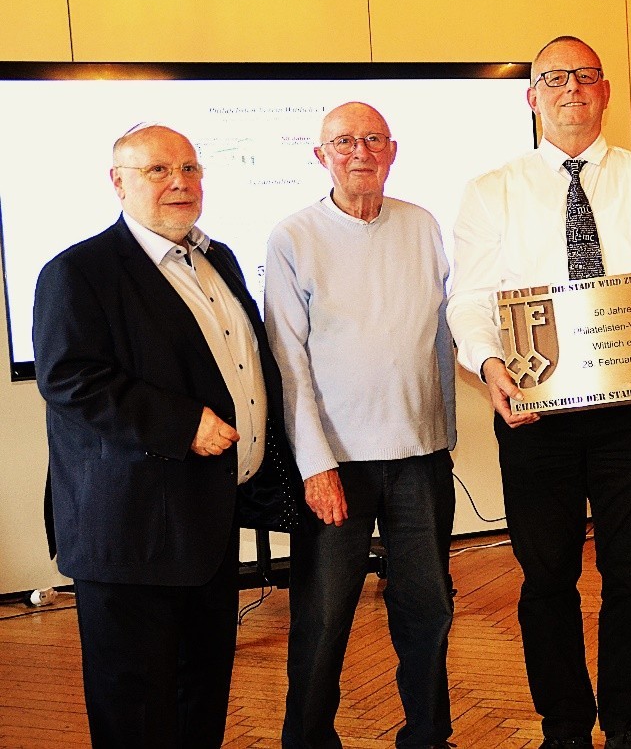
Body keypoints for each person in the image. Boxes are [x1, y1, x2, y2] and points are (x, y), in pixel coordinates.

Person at [446, 36, 631, 749]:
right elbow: (469, 298)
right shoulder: (490, 190)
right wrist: (489, 365)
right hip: (536, 418)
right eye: (555, 78)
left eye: (585, 77)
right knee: (546, 579)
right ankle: (563, 727)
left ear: (605, 92)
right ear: (532, 96)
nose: (571, 90)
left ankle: (628, 724)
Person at [33, 124, 297, 747]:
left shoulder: (218, 257)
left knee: (200, 694)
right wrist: (182, 425)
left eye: (190, 168)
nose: (180, 182)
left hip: (207, 522)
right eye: (158, 170)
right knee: (136, 709)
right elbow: (70, 379)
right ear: (118, 182)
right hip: (130, 533)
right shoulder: (78, 271)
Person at [265, 102, 457, 749]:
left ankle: (428, 736)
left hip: (421, 456)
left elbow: (449, 330)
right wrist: (314, 464)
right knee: (323, 617)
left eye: (373, 140)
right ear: (320, 156)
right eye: (344, 141)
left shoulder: (423, 225)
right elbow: (287, 361)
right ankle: (308, 739)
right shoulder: (293, 237)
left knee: (428, 610)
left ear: (392, 151)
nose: (360, 152)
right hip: (336, 466)